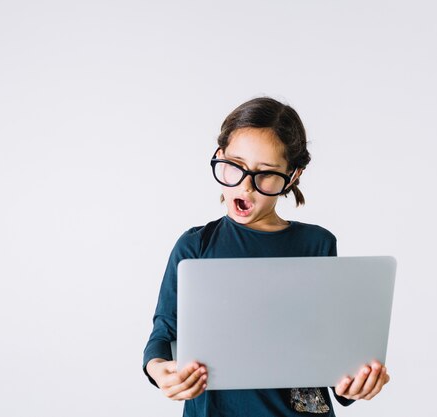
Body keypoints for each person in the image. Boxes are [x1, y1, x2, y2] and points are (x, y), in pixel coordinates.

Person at [142, 97, 390, 416]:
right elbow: (164, 331)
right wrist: (158, 367)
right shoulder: (196, 245)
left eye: (266, 174)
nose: (246, 187)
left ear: (293, 174)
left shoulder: (317, 244)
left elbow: (330, 351)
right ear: (219, 157)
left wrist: (357, 383)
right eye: (236, 166)